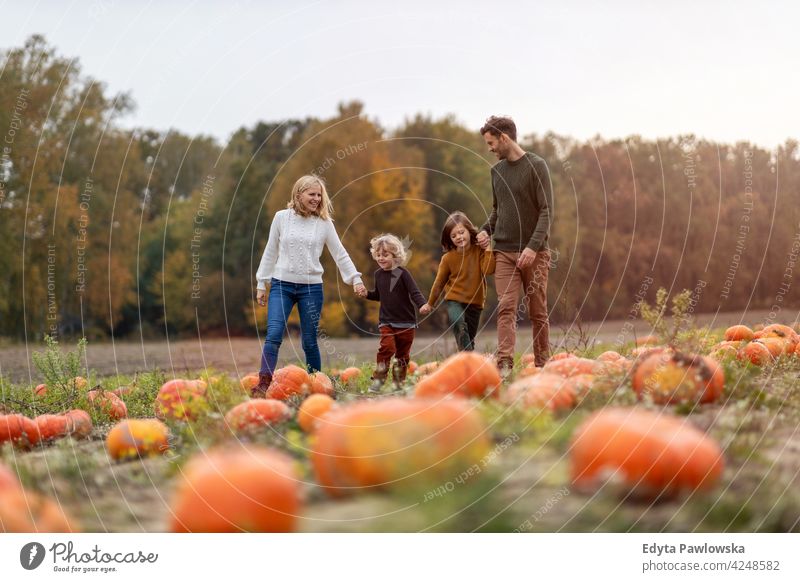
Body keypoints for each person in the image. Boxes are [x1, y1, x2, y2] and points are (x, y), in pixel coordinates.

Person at [254, 175, 366, 397]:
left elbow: (339, 253)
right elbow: (271, 250)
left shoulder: (324, 224)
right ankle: (263, 384)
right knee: (274, 334)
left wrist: (355, 278)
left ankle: (317, 387)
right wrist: (261, 282)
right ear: (298, 194)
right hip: (281, 285)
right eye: (311, 194)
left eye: (319, 195)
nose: (316, 198)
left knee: (309, 341)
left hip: (311, 289)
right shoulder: (281, 218)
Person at [476, 116, 554, 371]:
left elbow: (546, 211)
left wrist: (532, 247)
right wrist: (485, 230)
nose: (490, 148)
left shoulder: (537, 166)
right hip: (504, 253)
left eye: (491, 142)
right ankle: (505, 363)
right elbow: (498, 211)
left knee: (537, 311)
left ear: (505, 138)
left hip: (536, 252)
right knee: (506, 308)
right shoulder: (495, 172)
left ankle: (543, 364)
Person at [362, 233, 427, 393]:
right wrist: (366, 294)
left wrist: (422, 304)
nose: (381, 258)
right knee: (387, 348)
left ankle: (398, 384)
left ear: (395, 255)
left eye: (385, 254)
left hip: (406, 322)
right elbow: (378, 295)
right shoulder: (378, 274)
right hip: (387, 321)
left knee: (402, 356)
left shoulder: (403, 274)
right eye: (378, 255)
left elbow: (414, 292)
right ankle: (378, 380)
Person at [421, 212, 495, 351]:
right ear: (449, 239)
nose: (459, 237)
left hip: (475, 303)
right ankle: (469, 358)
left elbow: (489, 270)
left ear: (469, 230)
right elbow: (438, 284)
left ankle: (467, 365)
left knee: (468, 341)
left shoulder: (479, 250)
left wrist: (488, 248)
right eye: (453, 235)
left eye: (461, 232)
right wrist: (430, 303)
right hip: (454, 301)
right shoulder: (448, 259)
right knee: (458, 324)